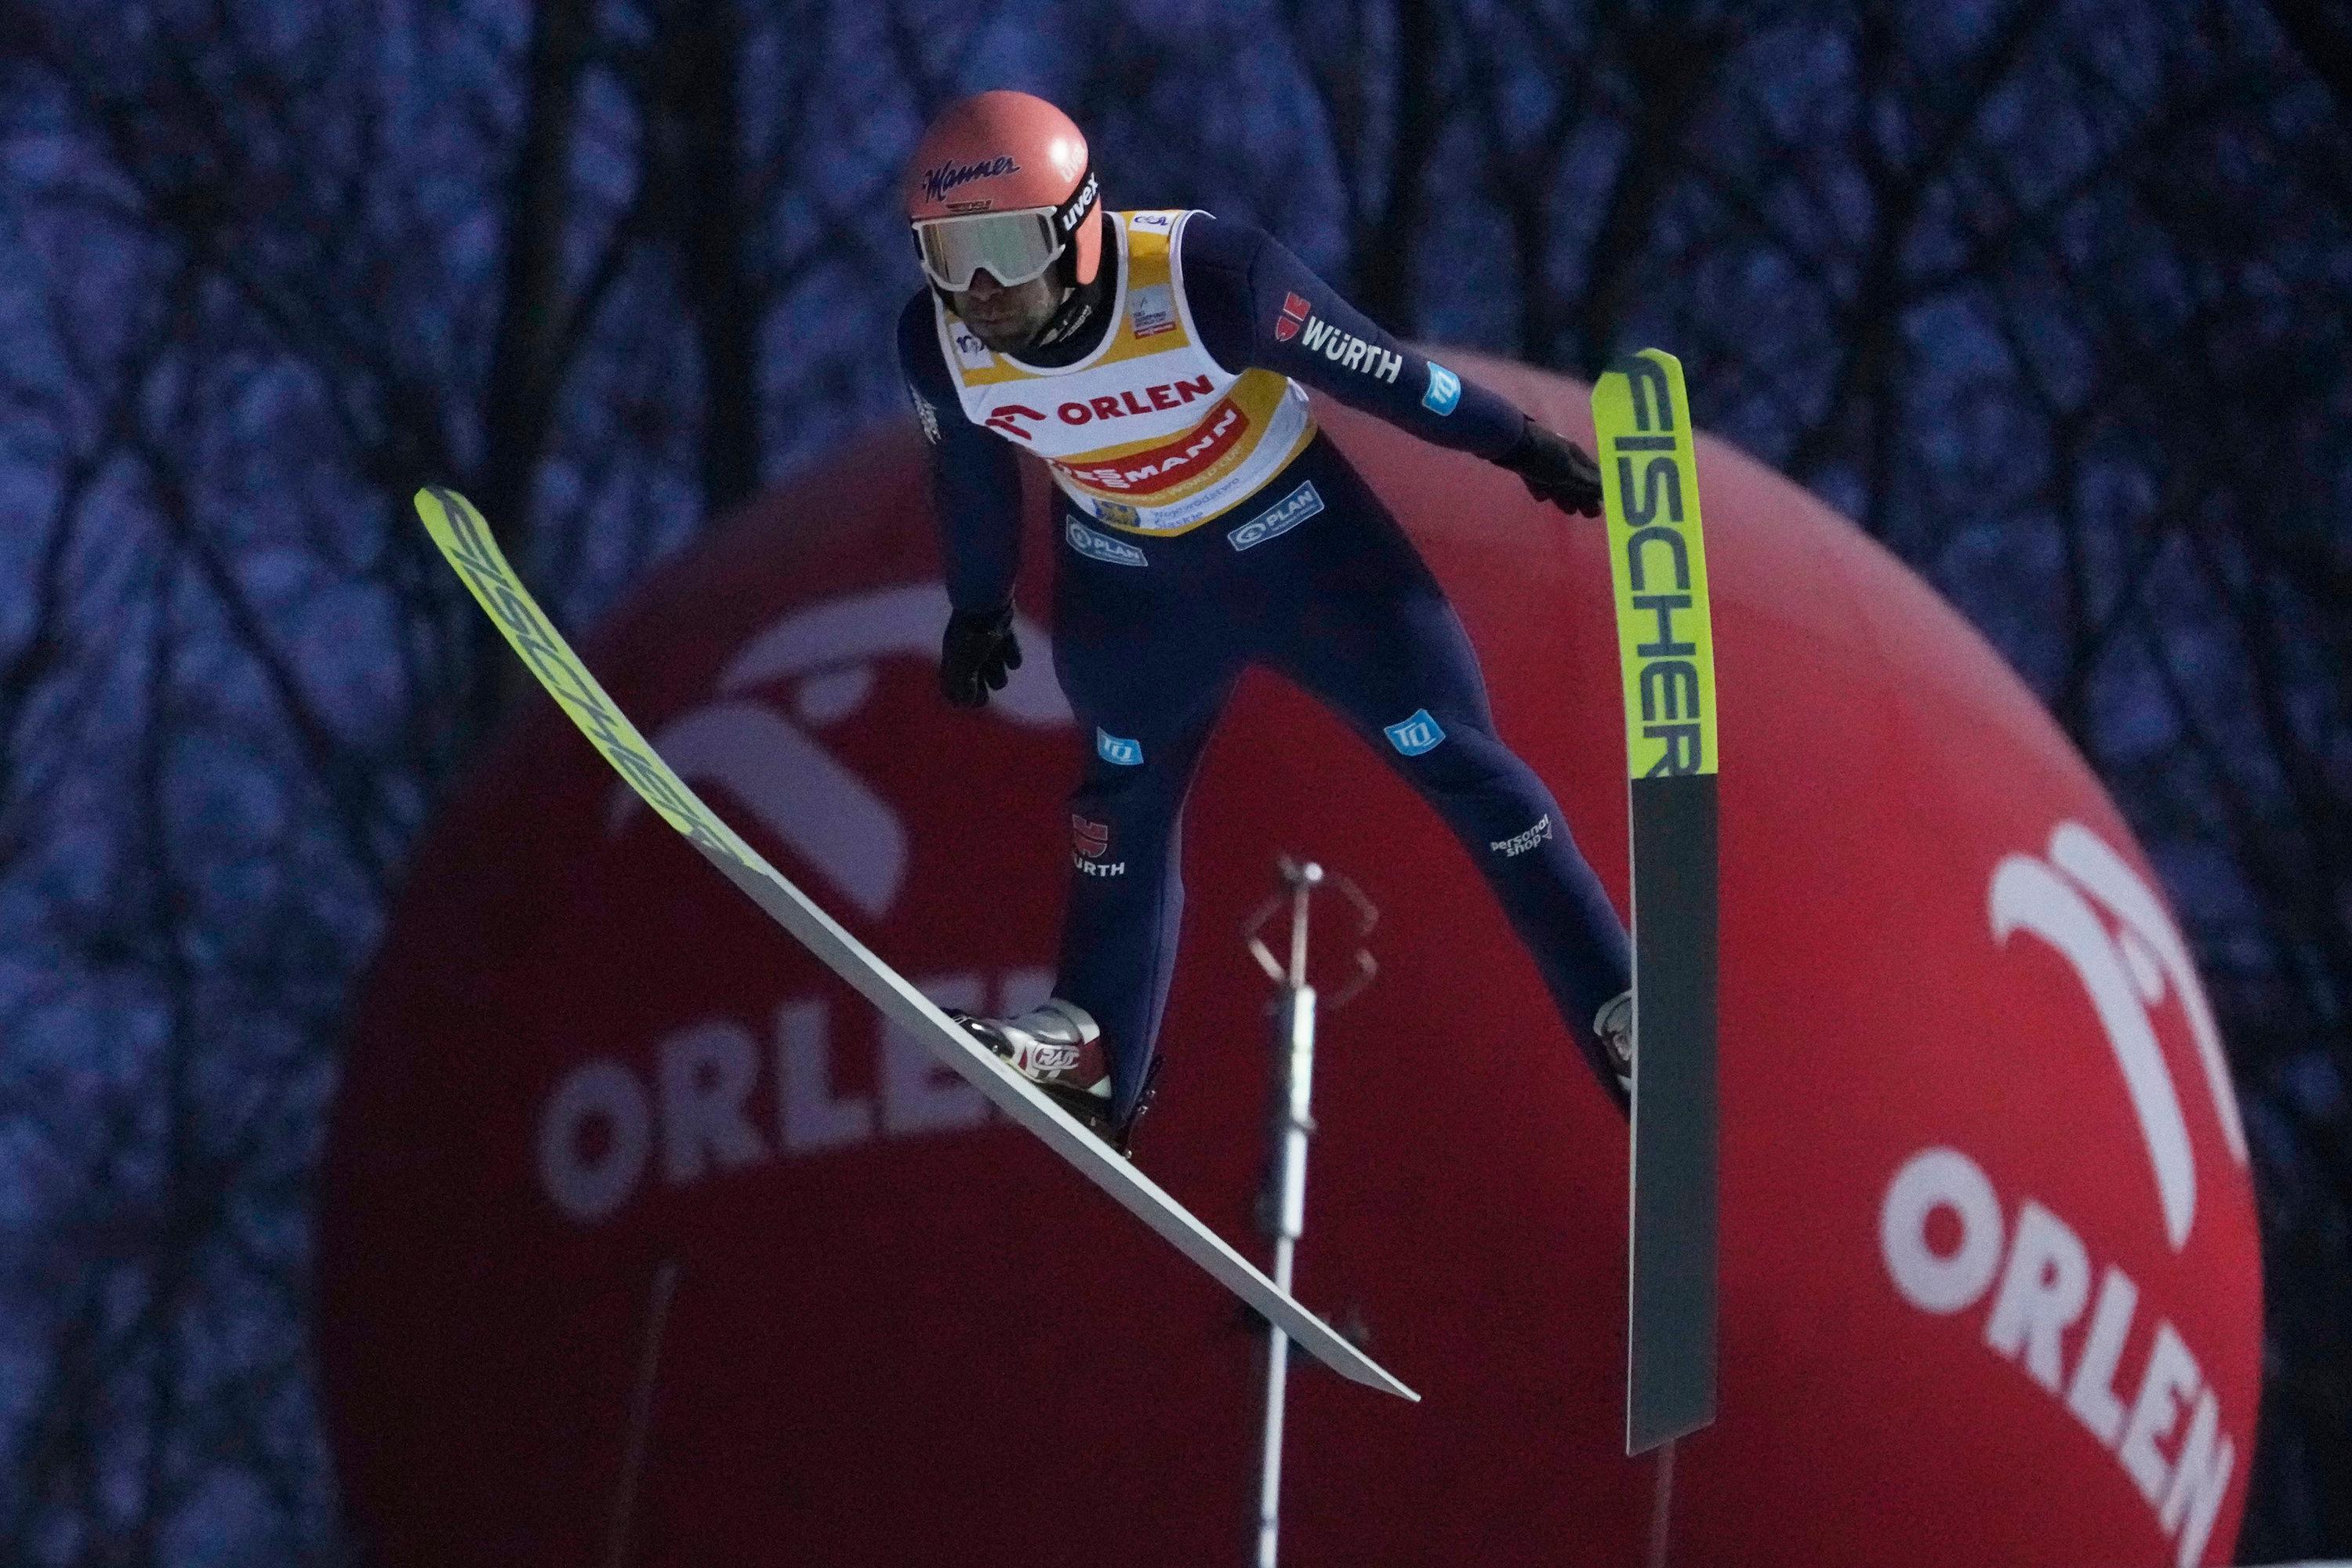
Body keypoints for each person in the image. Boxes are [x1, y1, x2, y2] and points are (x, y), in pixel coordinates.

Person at [897, 89, 1632, 1151]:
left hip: (1304, 552)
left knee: (1458, 760)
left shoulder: (1207, 281)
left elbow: (1388, 373)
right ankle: (1096, 1042)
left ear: (1081, 224)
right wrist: (978, 608)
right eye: (947, 255)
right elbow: (969, 486)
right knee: (1119, 805)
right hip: (1131, 584)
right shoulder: (941, 343)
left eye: (1005, 247)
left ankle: (1615, 1005)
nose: (981, 289)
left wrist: (1516, 445)